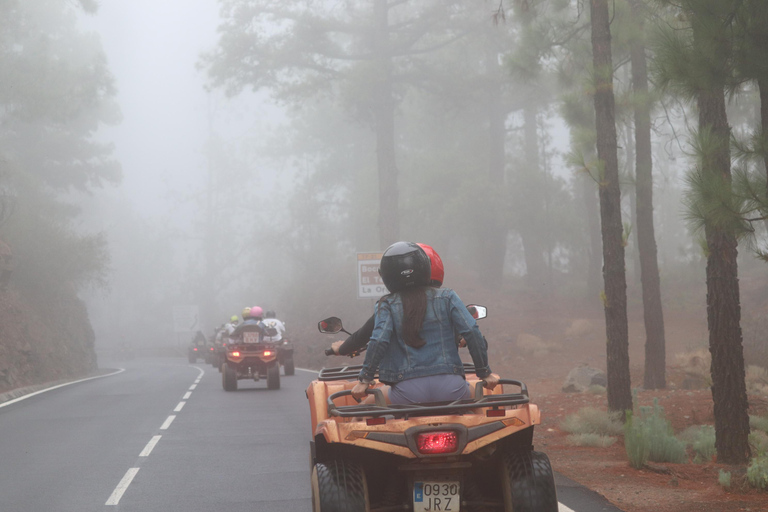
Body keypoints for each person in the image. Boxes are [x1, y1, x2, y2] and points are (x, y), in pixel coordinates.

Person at [351, 241, 499, 404]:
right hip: (452, 390)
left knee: (360, 413)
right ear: (425, 266)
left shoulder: (386, 305)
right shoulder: (448, 296)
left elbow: (379, 340)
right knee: (479, 410)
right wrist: (484, 372)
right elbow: (471, 330)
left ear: (384, 275)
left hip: (406, 394)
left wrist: (365, 380)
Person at [331, 243, 444, 357]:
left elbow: (363, 336)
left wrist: (342, 349)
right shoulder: (447, 300)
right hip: (448, 370)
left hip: (400, 372)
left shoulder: (390, 305)